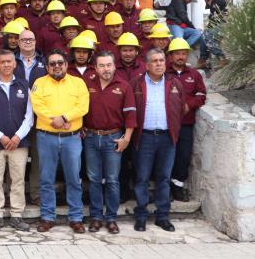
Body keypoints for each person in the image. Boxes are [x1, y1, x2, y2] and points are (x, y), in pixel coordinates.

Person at [30, 49, 89, 233]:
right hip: (46, 137)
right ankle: (47, 217)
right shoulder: (39, 83)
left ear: (66, 64)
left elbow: (83, 106)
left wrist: (63, 118)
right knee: (46, 179)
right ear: (47, 67)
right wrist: (54, 120)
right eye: (52, 63)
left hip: (72, 138)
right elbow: (37, 106)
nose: (56, 66)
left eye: (60, 63)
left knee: (73, 178)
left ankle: (76, 217)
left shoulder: (78, 83)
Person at [0, 49, 34, 232]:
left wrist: (18, 136)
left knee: (17, 180)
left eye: (10, 61)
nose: (7, 65)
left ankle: (17, 215)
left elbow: (30, 115)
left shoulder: (23, 85)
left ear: (15, 64)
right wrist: (0, 137)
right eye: (3, 62)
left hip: (19, 143)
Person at [131, 48, 184, 233]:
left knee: (163, 178)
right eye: (155, 61)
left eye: (161, 60)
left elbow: (180, 109)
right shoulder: (136, 84)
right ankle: (141, 216)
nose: (159, 64)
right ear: (147, 64)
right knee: (142, 178)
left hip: (167, 138)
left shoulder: (174, 83)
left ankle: (162, 216)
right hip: (144, 137)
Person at [83, 51, 136, 234]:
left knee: (113, 180)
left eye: (109, 65)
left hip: (114, 139)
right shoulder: (86, 84)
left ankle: (111, 218)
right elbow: (79, 108)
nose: (106, 69)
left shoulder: (123, 86)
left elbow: (130, 115)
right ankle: (96, 217)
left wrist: (127, 138)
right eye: (102, 65)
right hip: (90, 138)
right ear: (95, 68)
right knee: (94, 179)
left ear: (114, 66)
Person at [166, 38, 206, 202]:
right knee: (165, 156)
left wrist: (189, 105)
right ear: (170, 56)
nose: (181, 57)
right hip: (166, 124)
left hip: (185, 124)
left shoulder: (194, 74)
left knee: (183, 156)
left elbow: (201, 95)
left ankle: (177, 187)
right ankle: (164, 188)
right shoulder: (164, 73)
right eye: (177, 54)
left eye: (183, 53)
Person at [14, 29, 46, 205]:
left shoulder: (44, 61)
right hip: (16, 116)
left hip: (39, 115)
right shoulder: (11, 60)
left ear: (35, 42)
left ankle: (35, 193)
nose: (27, 42)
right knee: (15, 157)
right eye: (23, 40)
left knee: (37, 156)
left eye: (30, 39)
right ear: (18, 43)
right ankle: (14, 195)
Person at [164, 0, 209, 69]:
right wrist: (192, 26)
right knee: (179, 40)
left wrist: (193, 29)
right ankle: (175, 53)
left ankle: (183, 48)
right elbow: (183, 16)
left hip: (182, 26)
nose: (190, 1)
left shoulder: (182, 2)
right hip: (174, 25)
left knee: (197, 32)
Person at [203, 0, 231, 67]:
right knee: (207, 32)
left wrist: (207, 28)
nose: (209, 6)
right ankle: (205, 60)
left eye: (208, 3)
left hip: (224, 25)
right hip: (227, 24)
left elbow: (214, 19)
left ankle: (222, 58)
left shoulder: (216, 0)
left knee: (206, 35)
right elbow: (214, 19)